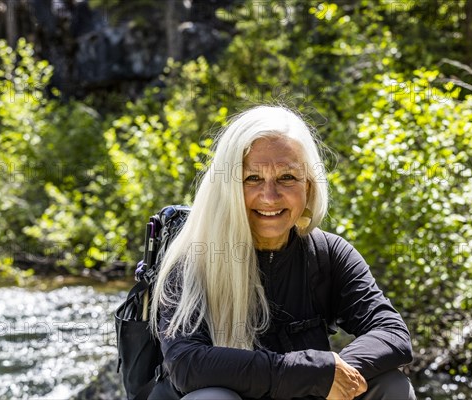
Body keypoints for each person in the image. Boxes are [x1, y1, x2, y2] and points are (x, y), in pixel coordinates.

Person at [149, 105, 416, 400]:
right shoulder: (193, 258)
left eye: (287, 177)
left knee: (392, 385)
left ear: (309, 186)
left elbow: (392, 333)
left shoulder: (330, 254)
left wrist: (336, 374)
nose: (270, 196)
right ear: (228, 187)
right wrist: (312, 372)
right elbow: (187, 364)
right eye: (252, 179)